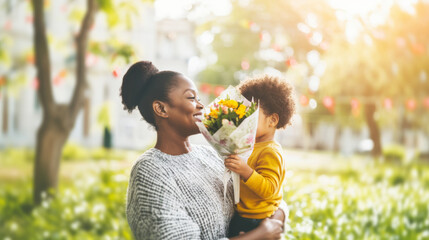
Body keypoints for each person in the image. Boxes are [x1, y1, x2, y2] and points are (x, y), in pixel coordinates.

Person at [121, 61, 286, 240]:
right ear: (161, 108)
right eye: (191, 98)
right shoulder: (150, 171)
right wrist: (262, 234)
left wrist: (277, 218)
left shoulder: (209, 155)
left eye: (199, 98)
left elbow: (261, 198)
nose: (201, 105)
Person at [224, 75, 295, 237]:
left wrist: (245, 171)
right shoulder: (249, 145)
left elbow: (269, 189)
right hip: (243, 214)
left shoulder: (270, 151)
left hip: (259, 219)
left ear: (272, 120)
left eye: (250, 116)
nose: (243, 121)